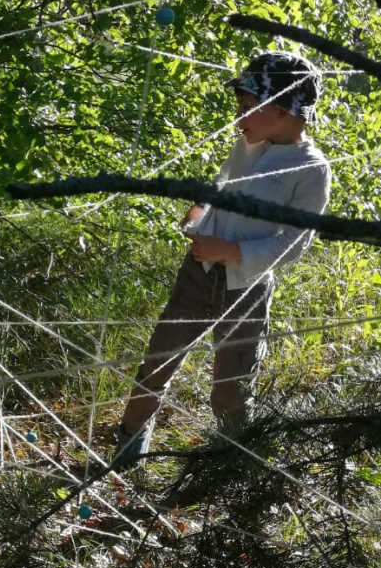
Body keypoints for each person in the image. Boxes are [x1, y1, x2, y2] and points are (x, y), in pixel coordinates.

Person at [114, 51, 331, 466]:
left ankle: (231, 455)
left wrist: (231, 251)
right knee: (160, 359)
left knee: (232, 382)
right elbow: (223, 182)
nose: (239, 118)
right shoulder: (248, 144)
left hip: (246, 290)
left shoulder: (311, 169)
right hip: (199, 273)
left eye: (247, 108)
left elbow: (294, 242)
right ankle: (129, 440)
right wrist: (201, 209)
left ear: (283, 110)